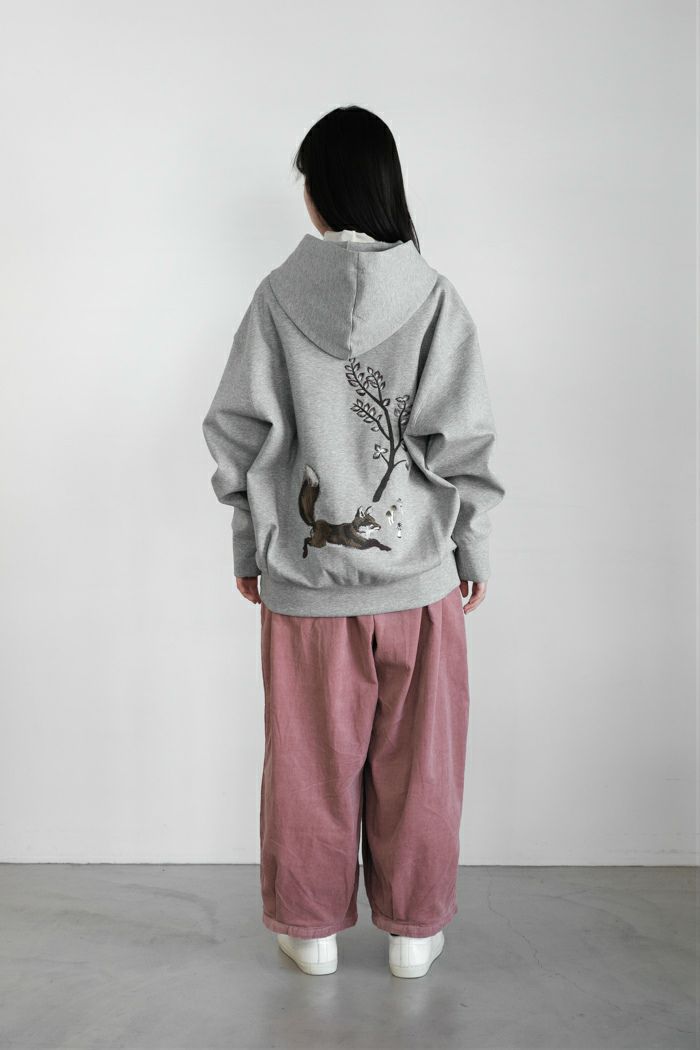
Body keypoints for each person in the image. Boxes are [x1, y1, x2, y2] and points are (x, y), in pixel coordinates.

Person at [202, 105, 505, 979]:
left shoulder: (275, 299)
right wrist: (473, 548)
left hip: (304, 588)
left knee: (308, 765)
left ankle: (310, 930)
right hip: (419, 584)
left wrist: (250, 546)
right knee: (421, 766)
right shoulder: (435, 297)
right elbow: (465, 440)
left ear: (319, 191)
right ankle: (413, 933)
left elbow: (238, 434)